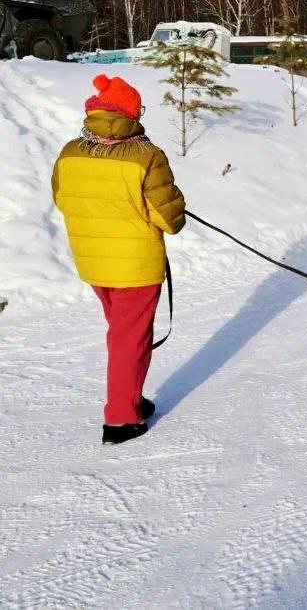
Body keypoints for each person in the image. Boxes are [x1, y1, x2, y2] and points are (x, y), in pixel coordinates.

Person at [52, 74, 185, 445]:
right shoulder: (147, 156)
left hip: (94, 262)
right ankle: (121, 419)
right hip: (135, 265)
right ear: (132, 114)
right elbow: (169, 220)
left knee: (124, 335)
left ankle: (130, 398)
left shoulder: (70, 152)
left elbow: (62, 200)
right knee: (130, 339)